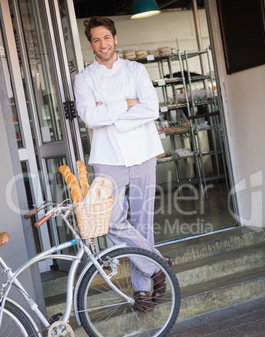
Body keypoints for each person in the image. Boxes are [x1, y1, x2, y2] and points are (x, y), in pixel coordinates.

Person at [74, 16, 171, 312]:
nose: (102, 44)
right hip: (108, 158)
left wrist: (111, 114)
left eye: (106, 37)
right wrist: (128, 104)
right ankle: (156, 265)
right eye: (96, 39)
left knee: (142, 221)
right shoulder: (84, 78)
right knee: (112, 222)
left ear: (115, 39)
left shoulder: (136, 69)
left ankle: (142, 291)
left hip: (143, 153)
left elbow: (151, 108)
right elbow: (91, 118)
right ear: (90, 44)